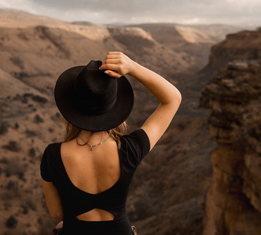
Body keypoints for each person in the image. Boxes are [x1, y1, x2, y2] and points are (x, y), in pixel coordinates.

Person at [40, 51, 182, 235]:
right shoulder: (130, 149)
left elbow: (57, 212)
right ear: (114, 106)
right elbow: (173, 99)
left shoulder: (53, 155)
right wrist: (132, 67)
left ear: (70, 108)